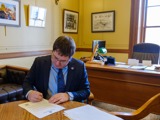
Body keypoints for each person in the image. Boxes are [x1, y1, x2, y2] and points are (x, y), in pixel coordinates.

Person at [23, 36, 90, 104]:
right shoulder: (39, 62)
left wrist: (68, 95)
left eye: (63, 61)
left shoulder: (79, 66)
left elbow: (85, 91)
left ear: (70, 58)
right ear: (52, 51)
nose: (57, 63)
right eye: (55, 58)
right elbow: (27, 83)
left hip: (69, 107)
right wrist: (29, 93)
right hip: (45, 105)